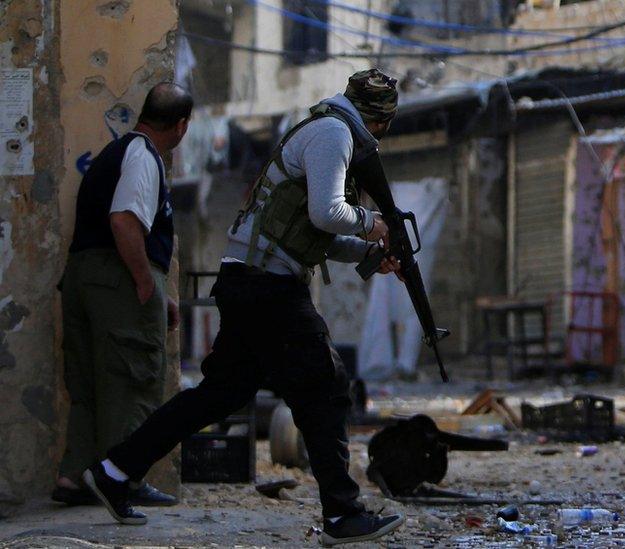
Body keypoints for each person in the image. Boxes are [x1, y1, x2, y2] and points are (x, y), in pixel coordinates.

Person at [83, 69, 405, 546]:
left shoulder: (322, 129)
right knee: (325, 384)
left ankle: (114, 470)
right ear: (380, 120)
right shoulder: (335, 134)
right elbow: (328, 214)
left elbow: (313, 235)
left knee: (217, 395)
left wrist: (367, 255)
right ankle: (342, 512)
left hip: (250, 279)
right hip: (267, 287)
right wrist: (372, 223)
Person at [53, 83, 193, 507]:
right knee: (131, 381)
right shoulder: (143, 156)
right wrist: (146, 282)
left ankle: (75, 477)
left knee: (91, 386)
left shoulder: (115, 154)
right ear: (182, 126)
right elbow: (124, 222)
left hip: (84, 277)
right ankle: (122, 481)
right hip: (117, 276)